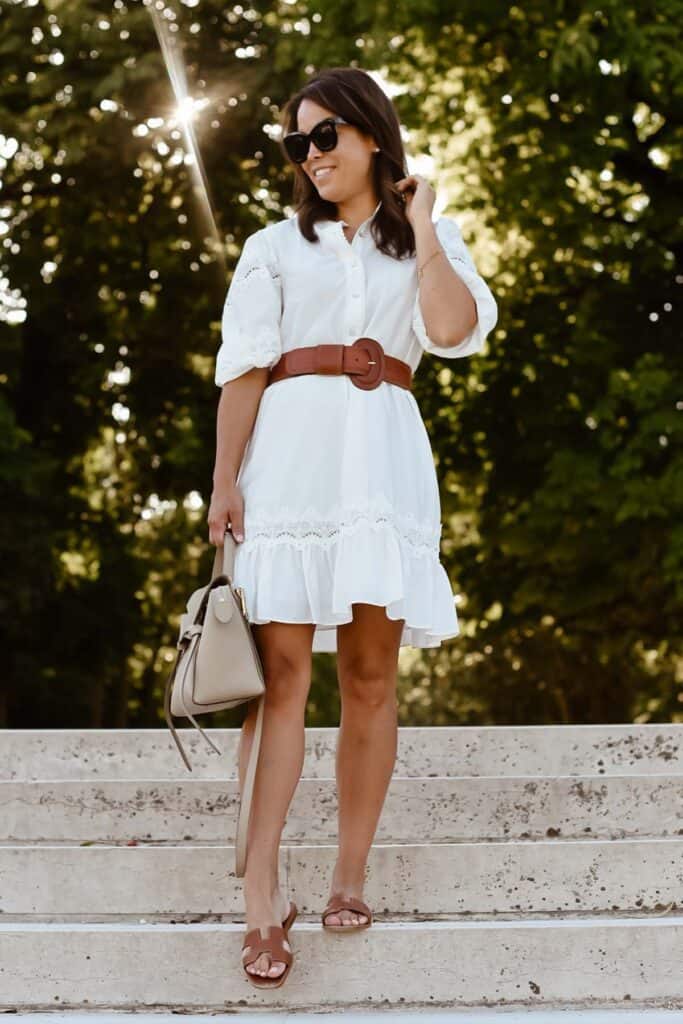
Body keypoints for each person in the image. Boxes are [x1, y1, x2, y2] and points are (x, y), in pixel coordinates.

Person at [207, 66, 498, 987]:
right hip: (287, 472)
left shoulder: (427, 239)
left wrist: (420, 234)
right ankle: (262, 898)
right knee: (280, 678)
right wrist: (223, 489)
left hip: (382, 468)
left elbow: (450, 331)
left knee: (369, 676)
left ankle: (347, 876)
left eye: (324, 136)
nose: (309, 156)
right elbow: (244, 370)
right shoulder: (269, 247)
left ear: (373, 135)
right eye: (297, 144)